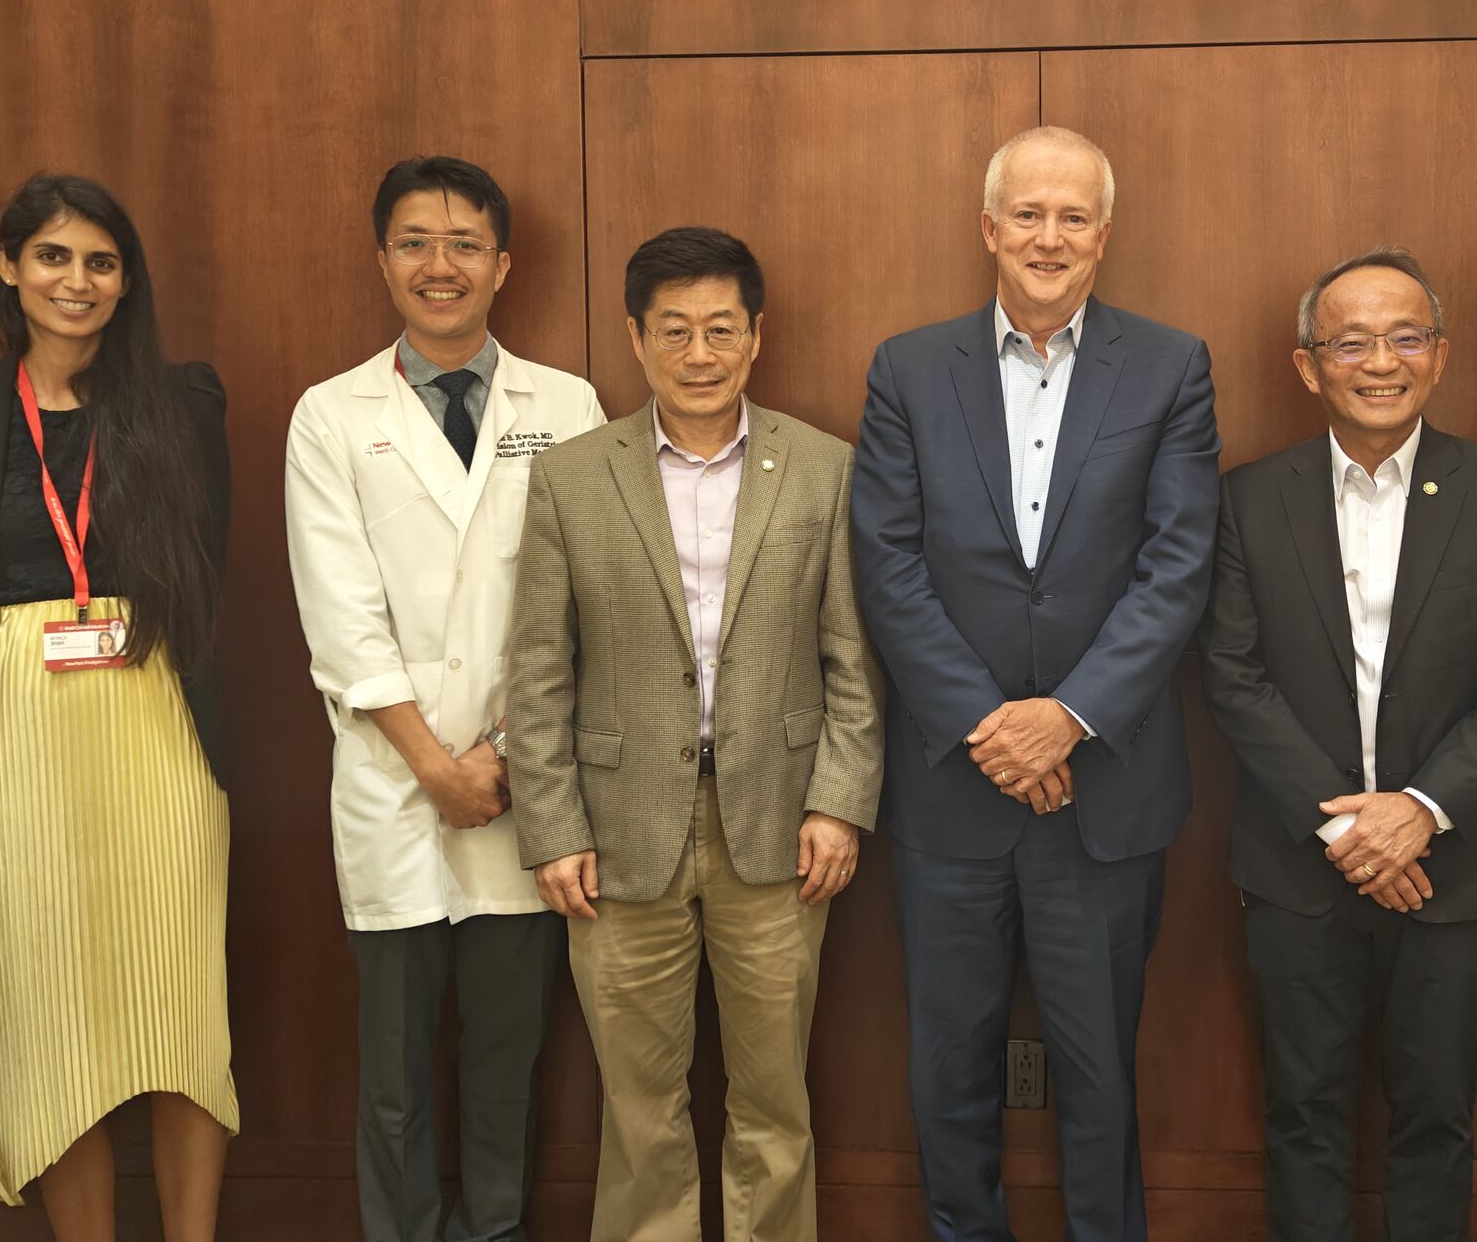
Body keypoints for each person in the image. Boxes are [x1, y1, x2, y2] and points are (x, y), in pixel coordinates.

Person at [850, 126, 1219, 1241]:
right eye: (1026, 214)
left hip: (1103, 789)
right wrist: (985, 725)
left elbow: (1176, 564)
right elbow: (887, 561)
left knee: (1100, 1067)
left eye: (1071, 217)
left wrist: (1063, 719)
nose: (1047, 237)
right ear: (988, 230)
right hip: (953, 795)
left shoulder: (1169, 366)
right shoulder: (909, 369)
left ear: (1102, 236)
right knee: (945, 1067)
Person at [506, 226, 882, 1242]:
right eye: (675, 331)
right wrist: (549, 828)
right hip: (617, 834)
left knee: (773, 1105)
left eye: (721, 328)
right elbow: (538, 669)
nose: (700, 353)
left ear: (756, 337)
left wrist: (838, 803)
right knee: (637, 1112)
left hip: (777, 830)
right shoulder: (573, 477)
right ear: (636, 340)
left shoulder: (824, 469)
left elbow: (852, 661)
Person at [1198, 247, 1477, 1242]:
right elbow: (1232, 676)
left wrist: (1417, 813)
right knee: (1302, 1116)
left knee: (1436, 1121)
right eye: (1348, 340)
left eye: (1404, 337)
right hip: (1295, 870)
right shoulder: (1245, 497)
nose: (1378, 361)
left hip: (1457, 865)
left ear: (1438, 355)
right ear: (1306, 365)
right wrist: (1348, 835)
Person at [0, 173, 237, 1240]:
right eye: (52, 256)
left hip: (156, 724)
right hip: (13, 731)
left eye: (99, 261)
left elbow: (205, 570)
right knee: (46, 1019)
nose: (75, 281)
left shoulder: (183, 405)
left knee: (180, 1009)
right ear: (8, 266)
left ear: (125, 282)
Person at [283, 156, 604, 1242]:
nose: (439, 264)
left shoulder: (565, 405)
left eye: (464, 243)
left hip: (524, 780)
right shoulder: (331, 417)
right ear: (382, 260)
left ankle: (497, 1229)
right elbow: (340, 615)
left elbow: (581, 601)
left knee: (507, 1061)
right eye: (415, 242)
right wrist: (434, 763)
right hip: (396, 781)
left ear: (503, 265)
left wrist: (507, 754)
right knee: (395, 1073)